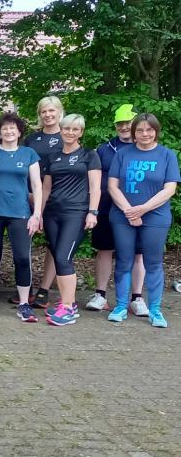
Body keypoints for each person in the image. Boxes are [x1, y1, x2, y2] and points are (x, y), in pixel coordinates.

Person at [107, 113, 179, 328]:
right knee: (123, 261)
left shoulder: (167, 155)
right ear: (133, 132)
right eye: (140, 130)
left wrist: (143, 209)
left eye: (149, 130)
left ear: (156, 131)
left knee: (154, 263)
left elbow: (170, 189)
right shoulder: (122, 154)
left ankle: (155, 311)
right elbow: (112, 186)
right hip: (122, 215)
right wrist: (130, 211)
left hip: (156, 216)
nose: (145, 134)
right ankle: (120, 307)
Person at [0, 112, 43, 322]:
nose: (8, 131)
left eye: (12, 128)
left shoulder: (28, 154)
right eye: (4, 128)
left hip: (20, 213)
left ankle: (24, 303)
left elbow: (36, 185)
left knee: (22, 258)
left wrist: (37, 214)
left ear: (19, 131)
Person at [40, 114, 101, 326]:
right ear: (61, 130)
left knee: (64, 257)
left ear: (81, 132)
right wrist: (38, 214)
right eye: (66, 129)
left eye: (75, 129)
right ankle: (70, 303)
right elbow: (46, 188)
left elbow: (95, 187)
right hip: (52, 213)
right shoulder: (52, 156)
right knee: (58, 257)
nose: (70, 133)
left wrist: (93, 212)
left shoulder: (89, 155)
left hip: (76, 213)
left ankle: (68, 309)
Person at [87, 104, 146, 313]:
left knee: (138, 253)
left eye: (128, 123)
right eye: (120, 123)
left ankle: (137, 298)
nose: (124, 127)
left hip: (137, 209)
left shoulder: (146, 148)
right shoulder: (104, 149)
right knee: (104, 250)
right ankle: (100, 295)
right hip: (106, 208)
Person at [18, 95, 64, 308]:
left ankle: (44, 290)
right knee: (24, 242)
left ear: (59, 112)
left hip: (57, 198)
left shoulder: (67, 136)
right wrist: (29, 194)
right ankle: (25, 289)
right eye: (44, 111)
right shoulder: (31, 139)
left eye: (51, 111)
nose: (47, 115)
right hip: (29, 197)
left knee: (53, 245)